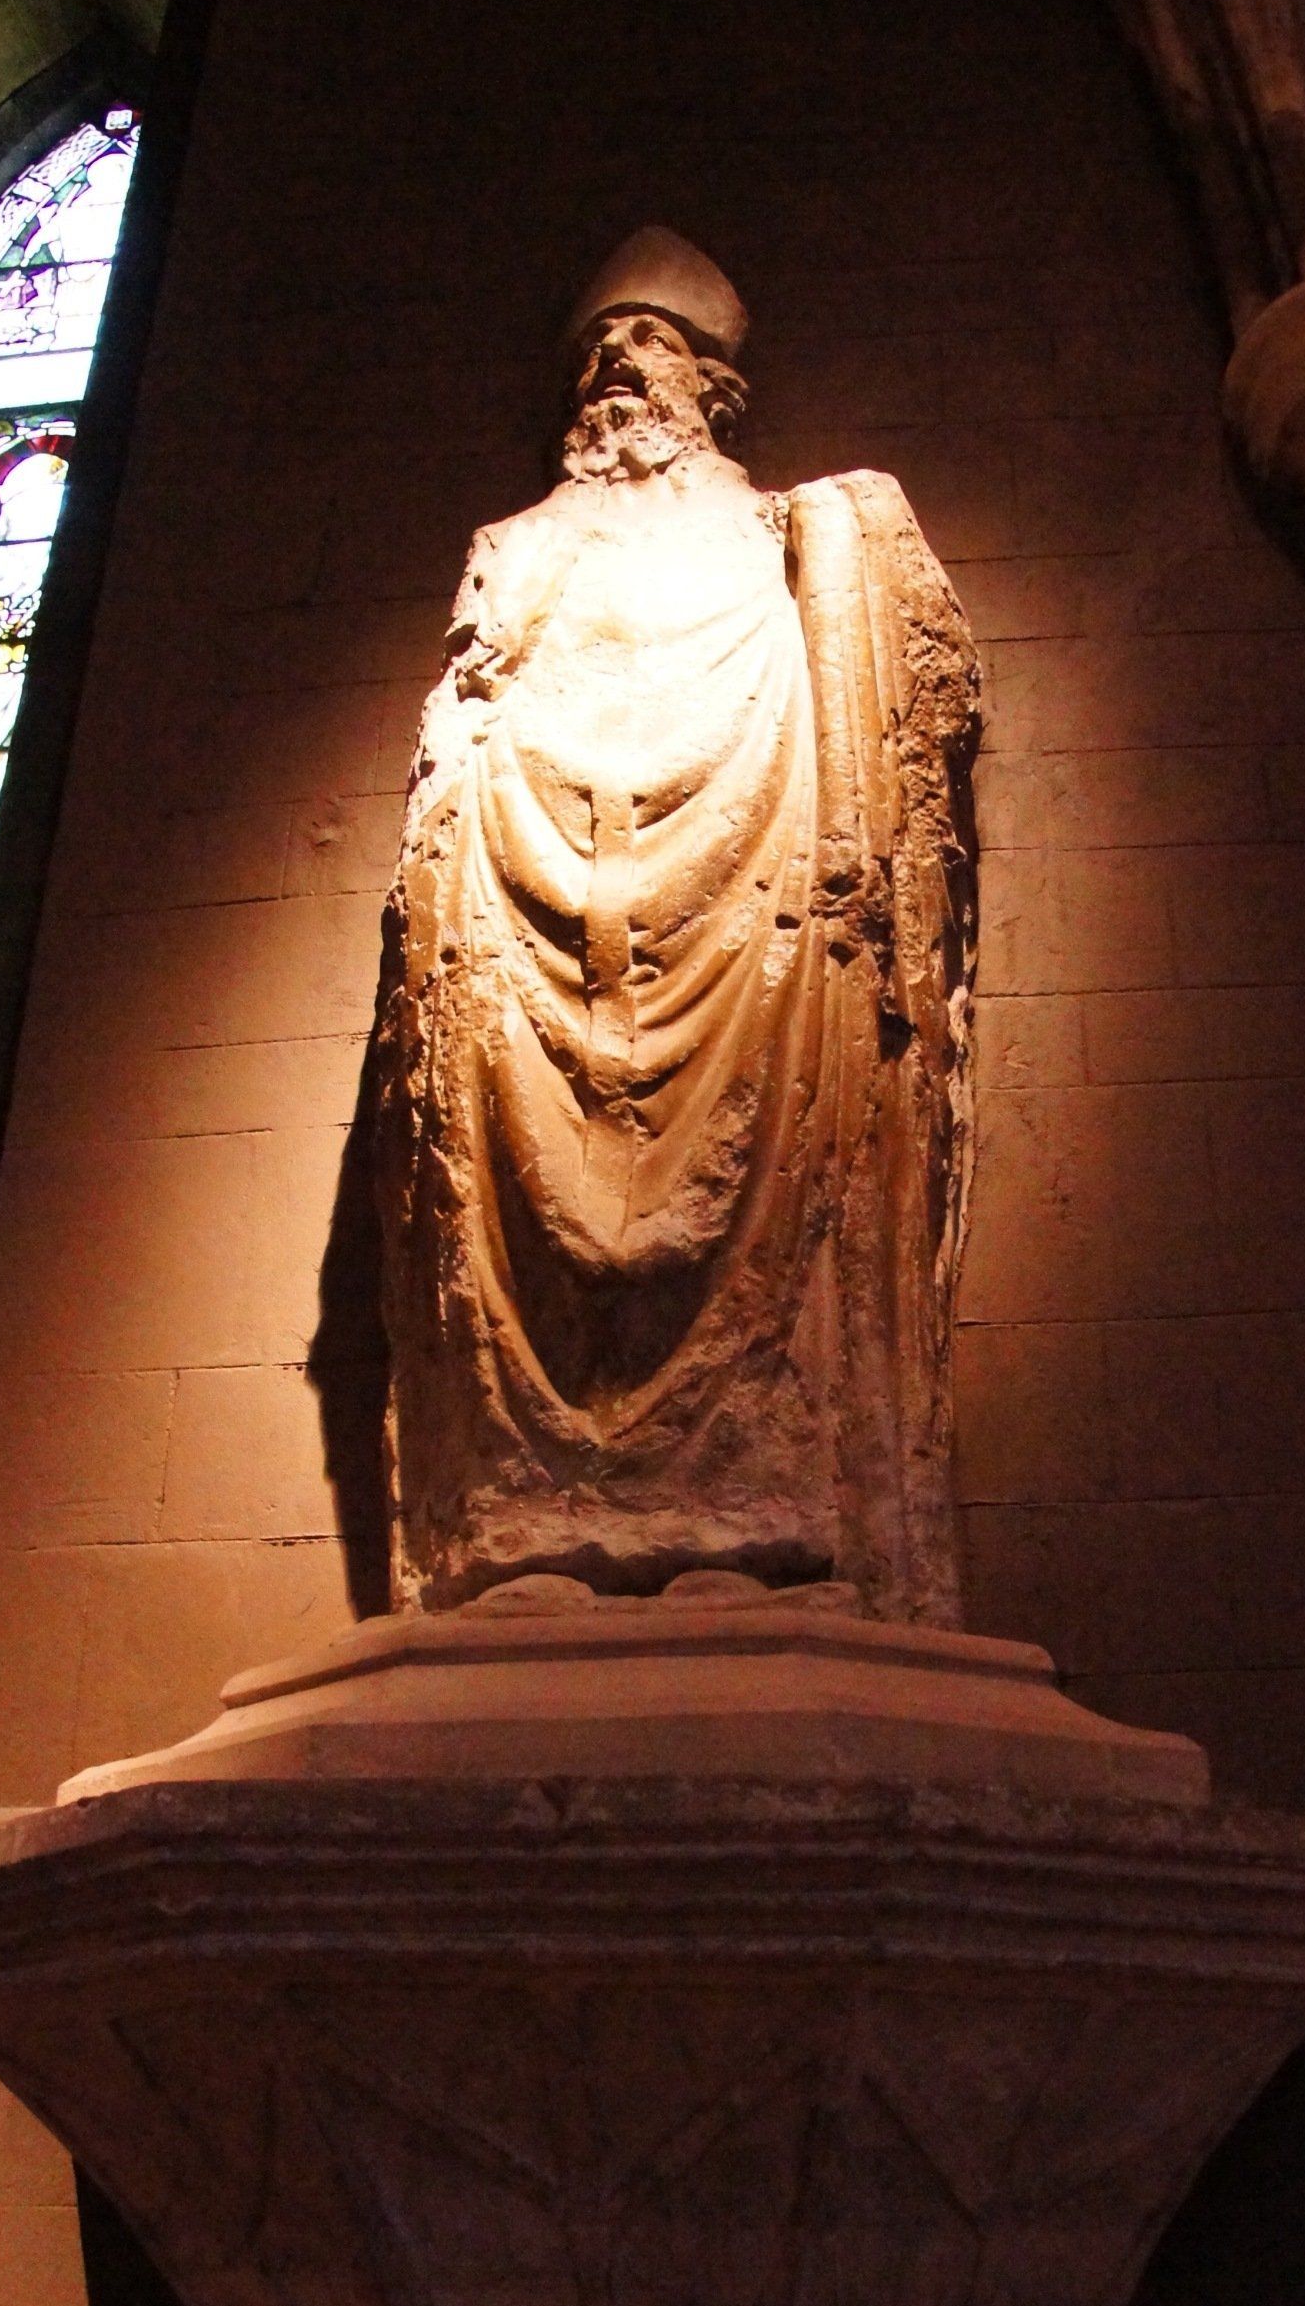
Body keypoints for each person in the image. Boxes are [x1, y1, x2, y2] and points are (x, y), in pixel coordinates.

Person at [376, 227, 978, 1621]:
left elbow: (903, 719)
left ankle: (750, 1515)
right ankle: (527, 1526)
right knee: (512, 1201)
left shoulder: (797, 546)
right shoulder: (517, 554)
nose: (611, 378)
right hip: (526, 937)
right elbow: (465, 736)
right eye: (596, 358)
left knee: (762, 1180)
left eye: (642, 352)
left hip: (746, 921)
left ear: (714, 384)